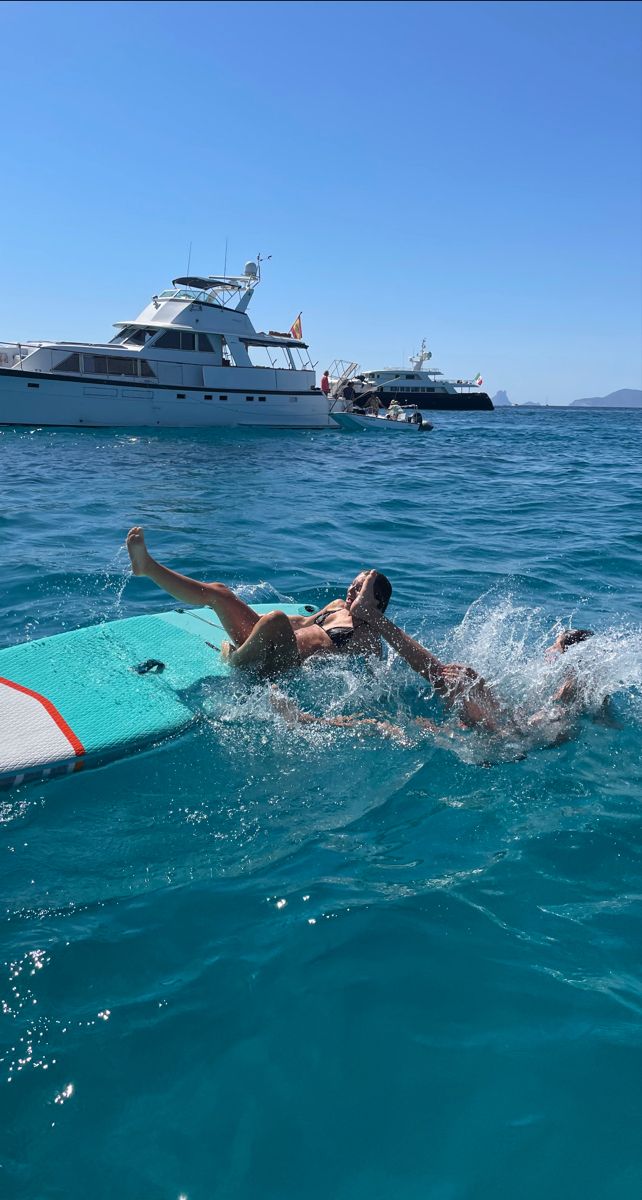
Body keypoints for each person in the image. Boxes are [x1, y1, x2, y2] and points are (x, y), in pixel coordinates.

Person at [125, 528, 392, 677]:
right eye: (352, 585)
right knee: (220, 593)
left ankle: (235, 661)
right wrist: (254, 622)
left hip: (284, 665)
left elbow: (368, 677)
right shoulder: (336, 606)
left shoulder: (367, 636)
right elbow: (302, 622)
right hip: (268, 643)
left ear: (375, 601)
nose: (350, 591)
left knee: (274, 618)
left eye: (359, 590)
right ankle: (148, 567)